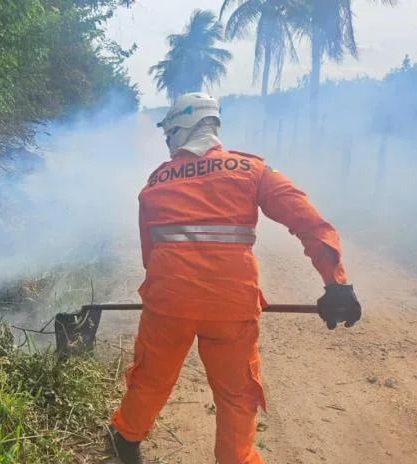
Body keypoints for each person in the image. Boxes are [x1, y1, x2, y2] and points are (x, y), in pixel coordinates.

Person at [107, 93, 362, 464]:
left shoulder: (155, 182)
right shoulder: (252, 170)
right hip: (231, 308)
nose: (167, 141)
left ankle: (126, 438)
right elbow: (309, 222)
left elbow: (151, 254)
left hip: (168, 303)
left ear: (181, 128)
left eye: (168, 133)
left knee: (150, 377)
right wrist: (336, 283)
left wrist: (167, 292)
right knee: (236, 395)